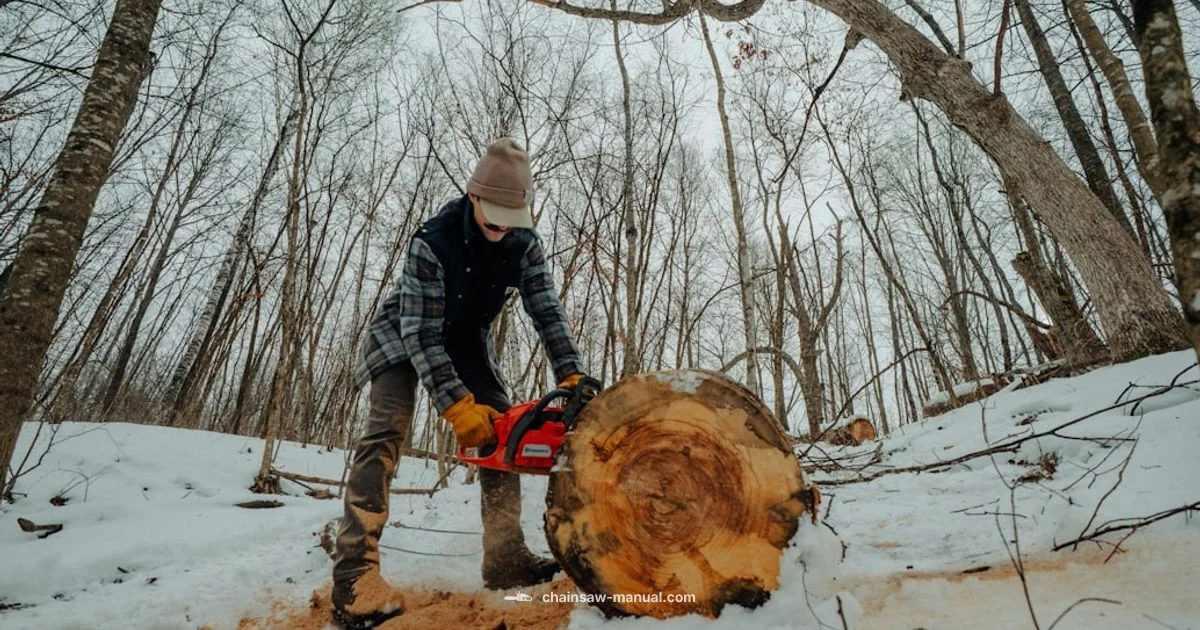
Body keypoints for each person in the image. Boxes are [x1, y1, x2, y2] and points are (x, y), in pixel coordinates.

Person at [331, 138, 586, 629]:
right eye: (494, 215)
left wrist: (571, 373)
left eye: (511, 218)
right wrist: (456, 405)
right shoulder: (433, 241)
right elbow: (421, 335)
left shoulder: (525, 244)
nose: (502, 226)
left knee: (504, 427)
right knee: (387, 430)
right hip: (403, 334)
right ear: (473, 196)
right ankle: (353, 577)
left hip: (467, 339)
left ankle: (506, 558)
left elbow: (547, 311)